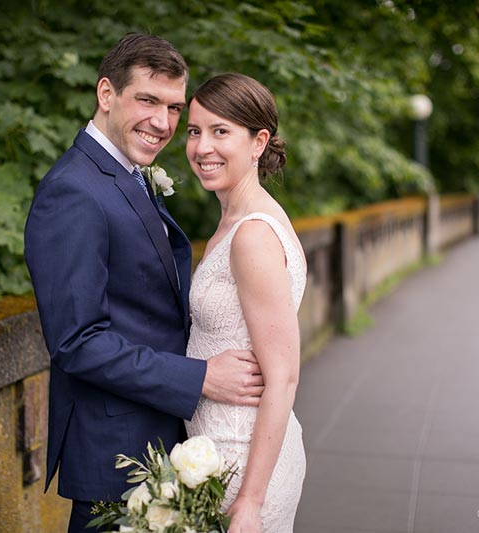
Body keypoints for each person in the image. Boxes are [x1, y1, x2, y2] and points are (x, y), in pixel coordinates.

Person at [23, 35, 264, 532]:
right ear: (106, 94)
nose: (163, 123)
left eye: (175, 108)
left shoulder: (124, 174)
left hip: (156, 448)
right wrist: (199, 378)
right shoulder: (73, 190)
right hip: (116, 461)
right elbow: (77, 343)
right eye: (148, 100)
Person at [183, 73, 307, 533]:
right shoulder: (235, 221)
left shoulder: (252, 234)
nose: (202, 147)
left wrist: (250, 501)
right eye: (195, 131)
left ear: (258, 142)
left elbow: (284, 376)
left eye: (220, 132)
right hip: (215, 455)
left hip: (239, 464)